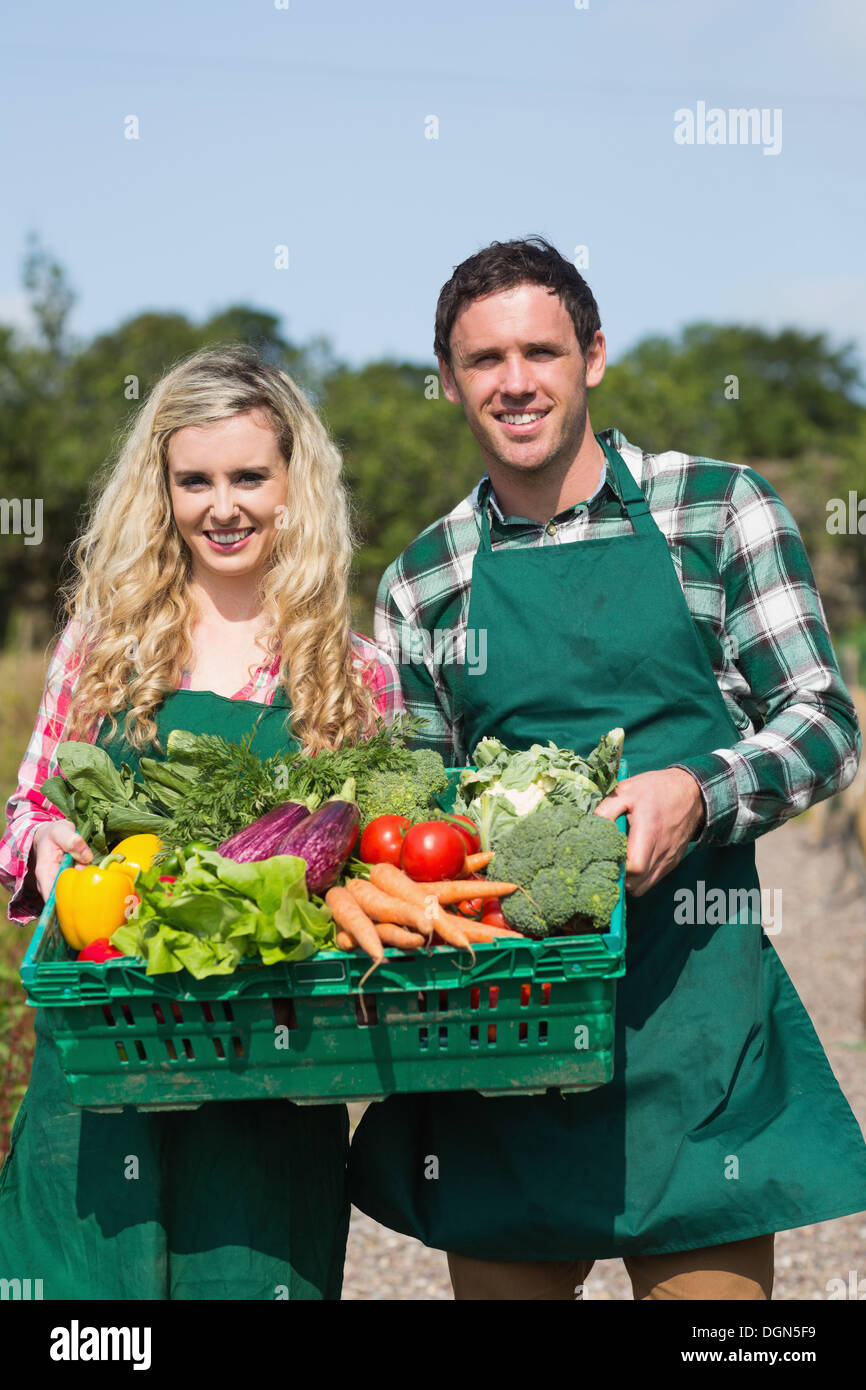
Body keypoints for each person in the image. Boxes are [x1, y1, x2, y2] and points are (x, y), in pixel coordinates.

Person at [348, 236, 866, 1301]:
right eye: (482, 360)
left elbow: (823, 722)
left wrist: (700, 789)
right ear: (446, 383)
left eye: (539, 350)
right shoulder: (426, 580)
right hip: (506, 1037)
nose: (514, 381)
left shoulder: (714, 511)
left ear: (592, 355)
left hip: (694, 1019)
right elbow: (415, 819)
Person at [0, 344, 403, 1300]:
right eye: (195, 481)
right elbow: (29, 809)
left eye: (249, 477)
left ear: (295, 484)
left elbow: (379, 869)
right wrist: (49, 852)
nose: (223, 506)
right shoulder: (105, 642)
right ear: (163, 490)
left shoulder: (355, 676)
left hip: (271, 1066)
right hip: (103, 1053)